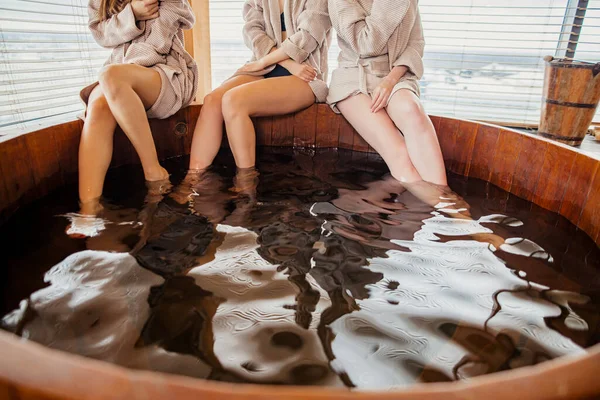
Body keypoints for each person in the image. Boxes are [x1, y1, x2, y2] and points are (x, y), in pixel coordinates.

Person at [76, 0, 198, 218]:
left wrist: (122, 74)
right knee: (99, 105)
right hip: (123, 76)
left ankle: (154, 171)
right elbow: (101, 35)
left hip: (166, 73)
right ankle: (88, 208)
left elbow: (158, 44)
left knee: (110, 76)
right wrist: (131, 14)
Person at [187, 0, 331, 172]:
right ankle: (192, 182)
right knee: (212, 101)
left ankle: (245, 184)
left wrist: (268, 61)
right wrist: (284, 64)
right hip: (266, 67)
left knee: (233, 101)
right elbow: (253, 32)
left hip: (305, 74)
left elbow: (308, 37)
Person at [327, 0, 447, 186]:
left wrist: (390, 81)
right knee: (400, 156)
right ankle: (444, 208)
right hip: (353, 77)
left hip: (394, 75)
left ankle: (445, 203)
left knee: (412, 110)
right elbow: (367, 44)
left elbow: (416, 43)